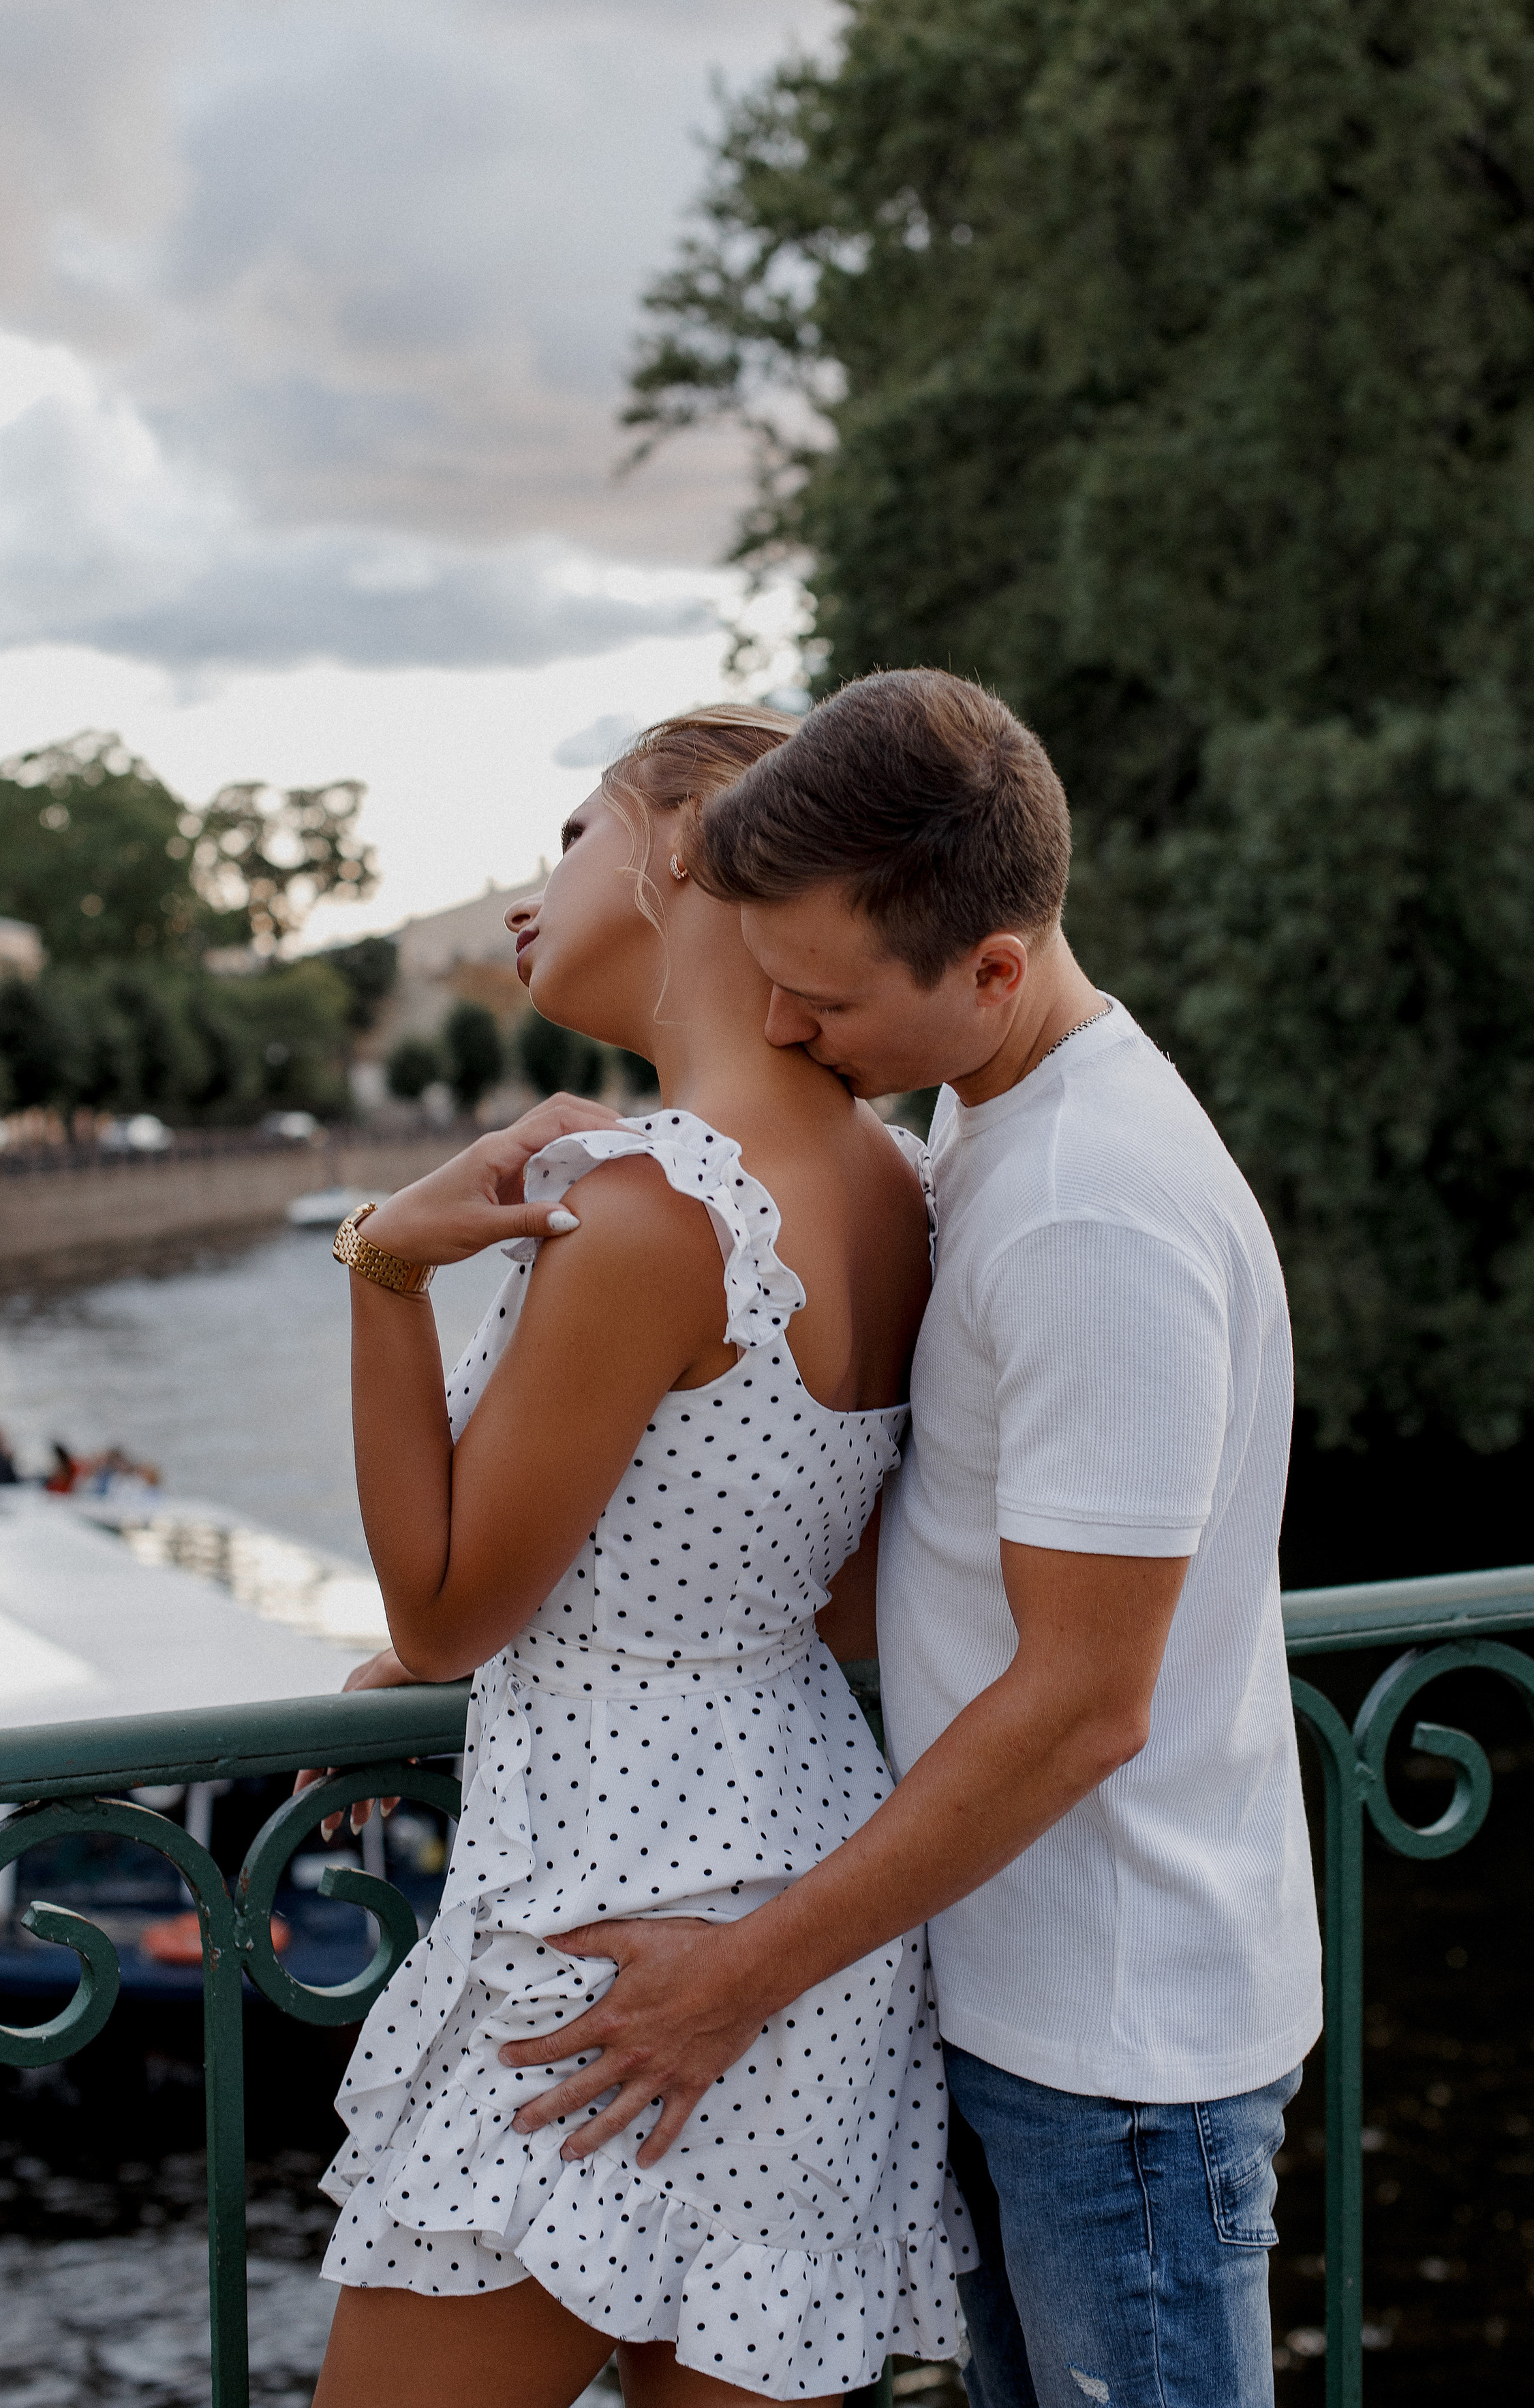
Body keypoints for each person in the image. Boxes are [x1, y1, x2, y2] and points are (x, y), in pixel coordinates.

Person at [493, 671, 1323, 2408]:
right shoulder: (995, 1114)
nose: (789, 1035)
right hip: (1035, 2007)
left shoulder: (1092, 1207)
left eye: (822, 1001)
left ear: (993, 968)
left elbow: (1087, 1699)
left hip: (1121, 2058)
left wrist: (735, 1978)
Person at [303, 703, 970, 2408]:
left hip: (608, 1909)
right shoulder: (893, 1187)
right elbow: (805, 1579)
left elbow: (446, 1616)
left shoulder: (642, 1203)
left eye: (570, 838)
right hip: (811, 1906)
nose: (534, 893)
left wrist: (385, 1267)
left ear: (684, 846)